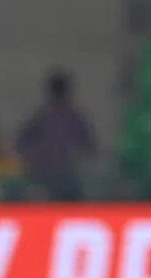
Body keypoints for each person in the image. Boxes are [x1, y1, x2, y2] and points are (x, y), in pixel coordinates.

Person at [15, 69, 97, 201]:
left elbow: (88, 146)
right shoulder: (69, 117)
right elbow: (89, 147)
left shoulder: (45, 115)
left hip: (59, 175)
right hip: (53, 174)